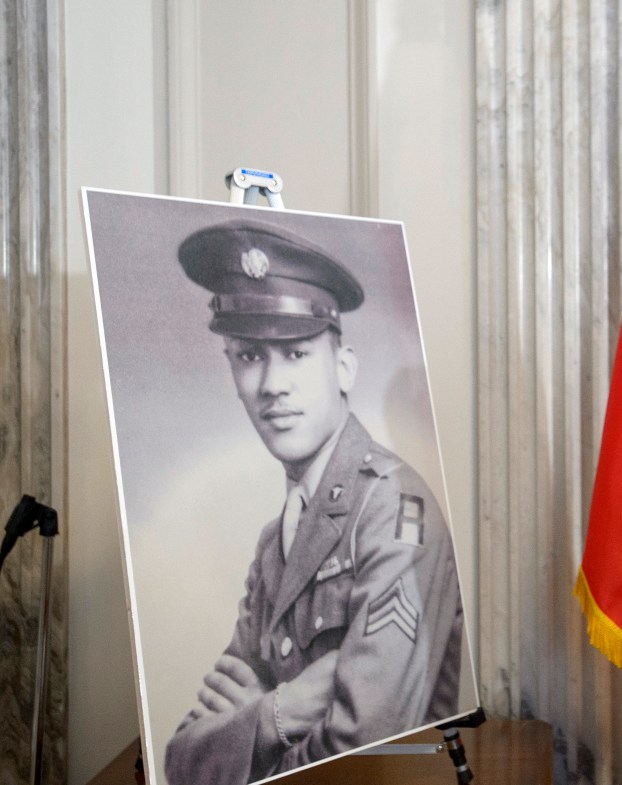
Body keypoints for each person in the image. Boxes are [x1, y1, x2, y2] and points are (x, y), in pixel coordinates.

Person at [164, 219, 465, 785]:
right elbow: (181, 758)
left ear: (344, 367)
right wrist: (277, 713)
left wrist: (252, 726)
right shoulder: (274, 543)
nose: (273, 384)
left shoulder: (396, 510)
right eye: (250, 356)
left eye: (297, 354)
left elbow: (368, 748)